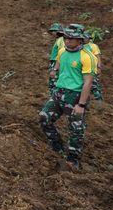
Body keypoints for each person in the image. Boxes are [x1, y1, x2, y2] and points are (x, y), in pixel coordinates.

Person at [39, 24, 97, 168]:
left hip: (75, 95)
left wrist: (81, 105)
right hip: (59, 92)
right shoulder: (63, 50)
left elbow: (88, 83)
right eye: (66, 38)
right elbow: (59, 59)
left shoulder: (87, 57)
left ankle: (73, 160)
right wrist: (54, 70)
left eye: (71, 38)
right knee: (44, 117)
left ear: (80, 40)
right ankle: (57, 147)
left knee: (76, 129)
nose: (67, 41)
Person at [82, 32, 104, 101]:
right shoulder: (80, 46)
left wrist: (99, 67)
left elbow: (98, 57)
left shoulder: (93, 46)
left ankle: (99, 100)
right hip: (82, 69)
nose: (85, 39)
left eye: (86, 38)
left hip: (92, 69)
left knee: (94, 85)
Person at [47, 23, 65, 96]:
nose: (52, 33)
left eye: (53, 31)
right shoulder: (59, 40)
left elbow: (62, 53)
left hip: (56, 63)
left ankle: (54, 98)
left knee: (54, 82)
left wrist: (55, 69)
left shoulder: (61, 40)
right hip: (56, 63)